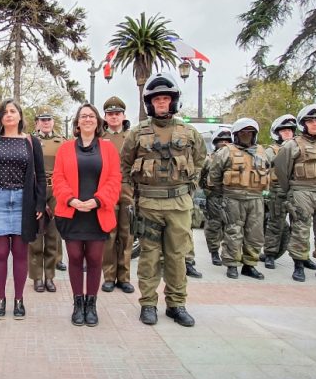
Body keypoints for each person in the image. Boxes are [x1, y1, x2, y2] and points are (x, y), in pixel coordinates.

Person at [121, 72, 207, 327]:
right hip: (148, 204)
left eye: (165, 99)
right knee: (149, 256)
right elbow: (124, 167)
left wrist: (189, 187)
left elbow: (201, 161)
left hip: (179, 205)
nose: (161, 103)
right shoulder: (137, 133)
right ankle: (148, 304)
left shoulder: (189, 132)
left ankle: (176, 304)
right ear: (150, 103)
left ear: (173, 101)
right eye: (157, 99)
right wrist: (130, 198)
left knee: (177, 256)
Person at [0, 99, 46, 320]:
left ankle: (18, 300)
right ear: (0, 118)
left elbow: (41, 176)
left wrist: (39, 203)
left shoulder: (31, 142)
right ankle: (0, 299)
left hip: (22, 202)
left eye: (13, 111)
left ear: (20, 116)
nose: (9, 115)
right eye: (4, 112)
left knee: (19, 253)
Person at [53, 103, 121, 326]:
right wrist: (71, 200)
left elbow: (114, 179)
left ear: (98, 121)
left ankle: (91, 304)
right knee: (74, 258)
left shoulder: (108, 149)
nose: (88, 119)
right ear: (77, 122)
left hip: (97, 212)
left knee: (94, 260)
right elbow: (58, 178)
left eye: (91, 116)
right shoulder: (65, 148)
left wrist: (98, 200)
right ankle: (77, 303)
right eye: (83, 116)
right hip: (72, 213)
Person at [274, 103, 316, 283]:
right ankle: (299, 265)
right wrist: (293, 190)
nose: (315, 124)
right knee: (301, 228)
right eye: (310, 121)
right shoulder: (292, 145)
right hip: (303, 190)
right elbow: (282, 170)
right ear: (303, 124)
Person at [209, 118, 270, 280]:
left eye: (250, 133)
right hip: (233, 198)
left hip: (256, 199)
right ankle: (232, 264)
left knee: (255, 234)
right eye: (243, 133)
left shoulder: (261, 152)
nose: (246, 136)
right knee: (233, 231)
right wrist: (225, 193)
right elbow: (214, 176)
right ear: (236, 134)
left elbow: (269, 172)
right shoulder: (225, 152)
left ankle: (250, 265)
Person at [263, 114, 316, 271]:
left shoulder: (301, 147)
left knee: (301, 225)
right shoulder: (271, 150)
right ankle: (270, 254)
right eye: (284, 131)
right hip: (277, 190)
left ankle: (302, 256)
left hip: (298, 190)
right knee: (275, 223)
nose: (287, 133)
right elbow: (263, 169)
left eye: (290, 131)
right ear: (277, 133)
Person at [100, 96, 136, 293]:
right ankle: (109, 275)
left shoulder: (133, 136)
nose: (114, 117)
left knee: (127, 234)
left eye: (117, 114)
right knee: (109, 234)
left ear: (123, 116)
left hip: (127, 188)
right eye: (110, 114)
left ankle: (124, 276)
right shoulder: (100, 138)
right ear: (105, 117)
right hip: (107, 189)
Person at [29, 108, 66, 292]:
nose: (45, 122)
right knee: (36, 237)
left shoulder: (63, 142)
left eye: (48, 119)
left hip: (56, 191)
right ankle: (36, 277)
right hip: (36, 189)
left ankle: (50, 276)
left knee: (53, 236)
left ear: (53, 121)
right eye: (42, 119)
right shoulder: (30, 141)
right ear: (37, 122)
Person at [202, 129, 232, 267]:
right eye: (221, 142)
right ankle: (214, 252)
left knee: (232, 227)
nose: (224, 144)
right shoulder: (209, 159)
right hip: (214, 196)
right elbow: (199, 176)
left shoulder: (235, 158)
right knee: (214, 225)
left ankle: (229, 254)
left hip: (232, 196)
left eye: (227, 141)